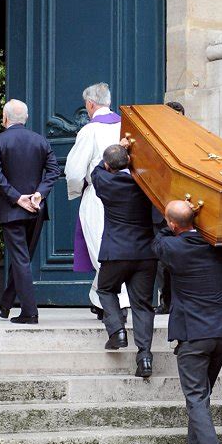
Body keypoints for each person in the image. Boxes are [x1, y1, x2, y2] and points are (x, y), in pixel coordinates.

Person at [151, 200, 222, 444]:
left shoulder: (171, 247)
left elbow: (159, 239)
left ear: (173, 224)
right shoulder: (215, 244)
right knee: (204, 392)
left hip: (194, 333)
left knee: (196, 397)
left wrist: (173, 218)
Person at [0, 99, 60, 324]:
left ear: (4, 117)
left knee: (20, 260)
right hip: (36, 209)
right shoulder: (40, 140)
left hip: (13, 210)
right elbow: (54, 170)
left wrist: (17, 198)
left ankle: (29, 312)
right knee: (23, 259)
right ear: (26, 118)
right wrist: (39, 194)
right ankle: (7, 302)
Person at [64, 82, 129, 319]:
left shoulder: (89, 131)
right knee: (119, 248)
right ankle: (101, 302)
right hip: (129, 195)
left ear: (90, 104)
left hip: (100, 194)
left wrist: (76, 189)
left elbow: (73, 170)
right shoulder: (126, 125)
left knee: (101, 248)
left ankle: (116, 306)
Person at [91, 144, 157, 378]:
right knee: (142, 305)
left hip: (116, 251)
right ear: (129, 162)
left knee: (106, 289)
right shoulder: (147, 184)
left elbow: (96, 170)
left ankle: (117, 331)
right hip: (145, 253)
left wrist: (119, 154)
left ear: (109, 165)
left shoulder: (105, 181)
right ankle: (145, 356)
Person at [153, 100, 185, 314]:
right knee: (162, 261)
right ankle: (166, 302)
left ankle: (178, 302)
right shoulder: (154, 142)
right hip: (159, 209)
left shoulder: (193, 142)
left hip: (187, 209)